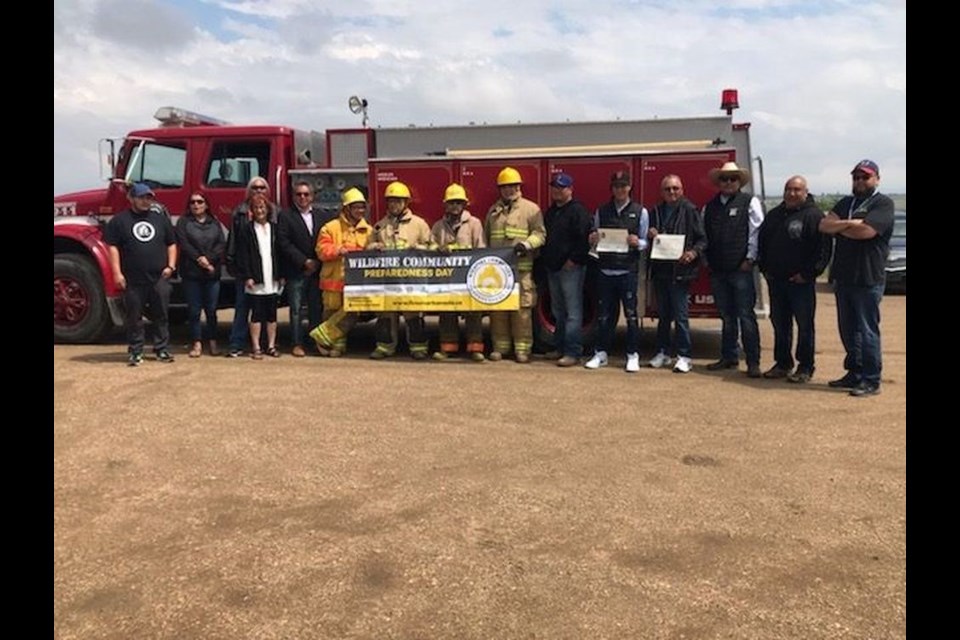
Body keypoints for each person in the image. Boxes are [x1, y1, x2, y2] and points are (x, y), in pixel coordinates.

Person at [818, 160, 895, 397]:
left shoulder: (883, 203)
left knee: (867, 330)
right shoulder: (846, 202)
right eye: (856, 177)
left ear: (877, 179)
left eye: (865, 177)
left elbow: (867, 232)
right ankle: (854, 372)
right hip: (844, 277)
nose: (860, 181)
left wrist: (842, 227)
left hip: (868, 277)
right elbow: (824, 225)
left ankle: (871, 379)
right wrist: (850, 223)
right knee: (848, 329)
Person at [757, 176, 832, 383]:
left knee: (804, 326)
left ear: (805, 192)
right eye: (788, 189)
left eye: (797, 190)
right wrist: (765, 269)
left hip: (801, 284)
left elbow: (823, 250)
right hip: (776, 281)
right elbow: (762, 243)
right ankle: (783, 364)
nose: (792, 193)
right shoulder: (773, 216)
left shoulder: (814, 216)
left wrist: (808, 274)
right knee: (780, 325)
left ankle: (805, 367)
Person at [104, 182, 178, 366]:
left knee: (161, 314)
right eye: (142, 197)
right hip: (133, 278)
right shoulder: (120, 221)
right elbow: (112, 248)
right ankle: (136, 351)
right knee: (134, 317)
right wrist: (117, 273)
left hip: (159, 277)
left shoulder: (159, 219)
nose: (146, 201)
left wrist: (171, 266)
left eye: (148, 197)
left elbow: (171, 243)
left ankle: (162, 349)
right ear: (131, 199)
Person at [702, 161, 765, 378]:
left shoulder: (750, 202)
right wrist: (706, 261)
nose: (728, 182)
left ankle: (753, 361)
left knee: (746, 316)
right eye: (724, 179)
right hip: (718, 270)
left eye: (732, 179)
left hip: (741, 269)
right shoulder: (709, 207)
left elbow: (756, 232)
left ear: (739, 182)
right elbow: (704, 237)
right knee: (726, 316)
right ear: (718, 182)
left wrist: (750, 259)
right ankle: (729, 356)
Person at [584, 170, 649, 373]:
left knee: (630, 316)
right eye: (616, 186)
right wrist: (592, 239)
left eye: (623, 185)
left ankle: (632, 354)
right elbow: (595, 236)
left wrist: (637, 242)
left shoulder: (640, 211)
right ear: (611, 188)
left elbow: (646, 242)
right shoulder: (601, 211)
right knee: (604, 316)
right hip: (605, 270)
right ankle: (601, 353)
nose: (620, 189)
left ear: (630, 187)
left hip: (627, 271)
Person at [484, 166, 547, 363]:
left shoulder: (531, 209)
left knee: (522, 312)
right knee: (498, 312)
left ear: (519, 187)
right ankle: (500, 348)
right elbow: (486, 239)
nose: (508, 190)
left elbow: (541, 234)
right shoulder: (493, 212)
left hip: (522, 271)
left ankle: (522, 350)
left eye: (512, 186)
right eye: (504, 187)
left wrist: (527, 245)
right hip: (497, 273)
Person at [645, 174, 706, 374]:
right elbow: (647, 236)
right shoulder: (655, 211)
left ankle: (684, 356)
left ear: (682, 190)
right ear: (661, 192)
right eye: (668, 189)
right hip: (661, 271)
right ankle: (663, 353)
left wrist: (692, 253)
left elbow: (702, 240)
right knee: (663, 315)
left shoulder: (690, 210)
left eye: (675, 188)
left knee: (680, 317)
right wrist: (650, 233)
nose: (672, 192)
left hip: (681, 273)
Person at [367, 181, 433, 359]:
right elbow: (368, 248)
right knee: (386, 315)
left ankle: (418, 348)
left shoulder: (419, 224)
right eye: (390, 201)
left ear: (406, 202)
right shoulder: (380, 226)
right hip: (387, 281)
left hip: (412, 280)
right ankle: (384, 347)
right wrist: (374, 246)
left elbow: (431, 247)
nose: (393, 204)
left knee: (413, 314)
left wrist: (416, 247)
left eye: (397, 201)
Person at [308, 188, 374, 357]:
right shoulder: (330, 228)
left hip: (356, 284)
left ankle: (321, 337)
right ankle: (337, 347)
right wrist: (338, 250)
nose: (360, 211)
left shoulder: (369, 231)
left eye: (362, 207)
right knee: (331, 314)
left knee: (351, 314)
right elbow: (321, 251)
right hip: (333, 281)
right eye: (356, 207)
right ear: (346, 209)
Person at [539, 173, 593, 367]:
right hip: (553, 268)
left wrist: (573, 260)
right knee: (558, 310)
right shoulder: (552, 212)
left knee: (573, 312)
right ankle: (559, 347)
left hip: (571, 269)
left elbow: (584, 240)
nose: (557, 190)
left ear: (570, 189)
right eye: (554, 187)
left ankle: (573, 352)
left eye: (561, 187)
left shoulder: (578, 211)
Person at [431, 183, 487, 362]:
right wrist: (438, 248)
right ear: (445, 205)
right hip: (447, 278)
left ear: (464, 205)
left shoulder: (474, 223)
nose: (455, 206)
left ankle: (475, 349)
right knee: (447, 313)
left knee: (473, 313)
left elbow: (481, 248)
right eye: (451, 203)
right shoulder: (438, 226)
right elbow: (429, 246)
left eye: (458, 203)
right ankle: (448, 347)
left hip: (469, 277)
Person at [277, 181, 330, 357]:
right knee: (296, 310)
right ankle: (297, 343)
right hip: (296, 271)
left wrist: (315, 262)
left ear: (312, 196)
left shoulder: (322, 216)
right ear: (293, 197)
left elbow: (325, 241)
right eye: (299, 194)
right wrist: (303, 261)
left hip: (317, 271)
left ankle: (315, 341)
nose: (302, 197)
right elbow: (284, 243)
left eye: (306, 194)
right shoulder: (285, 216)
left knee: (316, 309)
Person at [224, 177, 275, 357]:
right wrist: (234, 266)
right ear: (248, 190)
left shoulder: (274, 211)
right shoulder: (239, 212)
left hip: (268, 272)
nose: (258, 191)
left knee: (267, 310)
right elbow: (234, 242)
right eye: (254, 188)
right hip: (245, 271)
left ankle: (266, 345)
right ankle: (236, 344)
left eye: (262, 188)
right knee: (242, 307)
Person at [175, 192, 226, 358]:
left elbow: (221, 244)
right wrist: (200, 259)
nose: (196, 205)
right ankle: (196, 343)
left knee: (211, 310)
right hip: (191, 273)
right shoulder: (184, 222)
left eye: (200, 202)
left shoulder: (215, 223)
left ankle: (213, 342)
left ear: (206, 204)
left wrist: (209, 259)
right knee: (194, 310)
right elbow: (183, 243)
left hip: (212, 273)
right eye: (192, 202)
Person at [233, 192, 283, 359]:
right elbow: (243, 255)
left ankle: (270, 345)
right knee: (256, 314)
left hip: (272, 277)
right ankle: (256, 347)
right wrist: (248, 276)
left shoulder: (274, 229)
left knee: (272, 314)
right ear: (251, 211)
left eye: (262, 207)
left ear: (268, 210)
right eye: (256, 208)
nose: (260, 210)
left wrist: (280, 274)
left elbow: (279, 253)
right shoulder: (246, 230)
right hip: (256, 278)